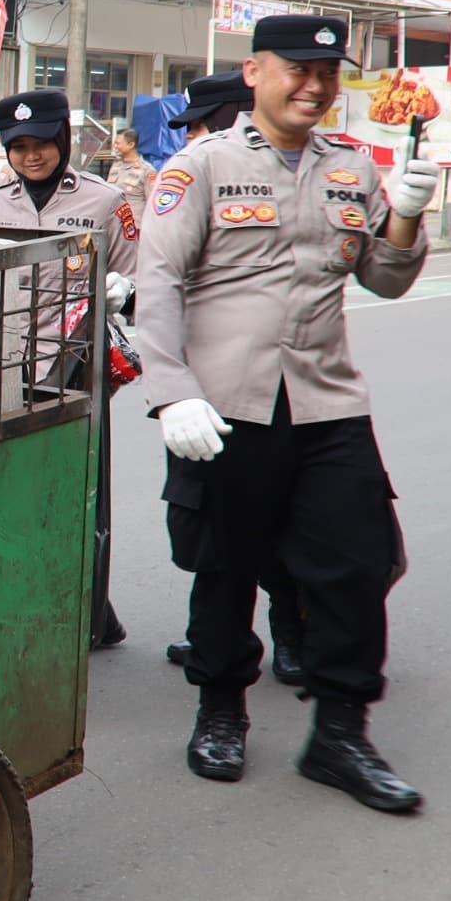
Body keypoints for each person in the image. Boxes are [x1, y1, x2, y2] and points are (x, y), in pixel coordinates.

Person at [134, 13, 438, 811]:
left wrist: (405, 213)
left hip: (326, 400)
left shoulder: (352, 169)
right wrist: (172, 394)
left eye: (327, 74)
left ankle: (340, 733)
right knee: (226, 565)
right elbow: (156, 283)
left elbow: (386, 278)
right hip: (225, 404)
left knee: (356, 564)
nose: (314, 85)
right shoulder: (201, 165)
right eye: (298, 69)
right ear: (256, 71)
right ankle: (221, 710)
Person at [0, 89, 141, 649]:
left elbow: (144, 280)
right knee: (20, 491)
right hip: (9, 369)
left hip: (77, 367)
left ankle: (88, 615)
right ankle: (51, 602)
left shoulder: (105, 200)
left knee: (80, 494)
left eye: (41, 143)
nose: (31, 155)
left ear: (62, 140)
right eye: (18, 146)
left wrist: (126, 292)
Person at [159, 67, 306, 685]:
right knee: (206, 529)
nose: (187, 138)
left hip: (283, 385)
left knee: (283, 520)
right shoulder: (189, 176)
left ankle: (293, 629)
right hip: (202, 388)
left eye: (195, 123)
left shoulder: (302, 175)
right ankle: (214, 645)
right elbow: (161, 277)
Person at [107, 127, 155, 200]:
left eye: (117, 143)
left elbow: (152, 200)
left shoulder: (147, 170)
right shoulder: (115, 165)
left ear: (131, 145)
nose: (114, 146)